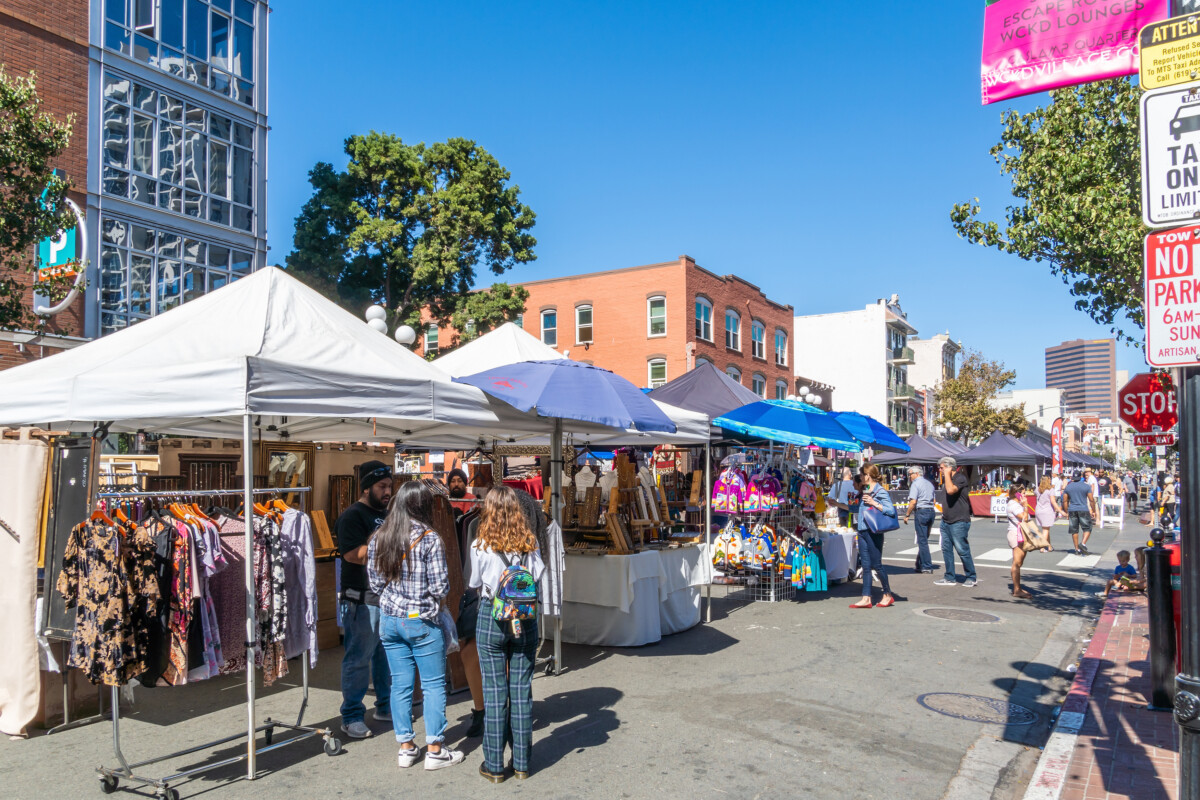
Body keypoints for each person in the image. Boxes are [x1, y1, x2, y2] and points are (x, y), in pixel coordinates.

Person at [368, 481, 464, 771]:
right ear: (422, 505)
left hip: (390, 621)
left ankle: (406, 747)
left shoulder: (379, 537)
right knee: (434, 685)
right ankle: (435, 748)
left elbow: (374, 584)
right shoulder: (429, 538)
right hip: (421, 621)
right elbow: (440, 586)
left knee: (400, 684)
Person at [469, 486, 546, 782]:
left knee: (494, 691)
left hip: (492, 617)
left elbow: (475, 581)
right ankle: (523, 762)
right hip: (524, 618)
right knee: (521, 690)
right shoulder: (530, 541)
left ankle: (494, 764)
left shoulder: (480, 545)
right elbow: (537, 577)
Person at [335, 460, 395, 740]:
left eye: (389, 487)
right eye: (382, 487)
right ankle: (351, 716)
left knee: (385, 658)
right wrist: (382, 539)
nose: (387, 492)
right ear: (366, 487)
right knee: (359, 659)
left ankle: (384, 706)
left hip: (386, 597)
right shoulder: (352, 516)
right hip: (360, 600)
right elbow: (352, 556)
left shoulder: (387, 513)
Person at [850, 465, 897, 609]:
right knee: (865, 565)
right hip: (863, 531)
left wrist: (874, 503)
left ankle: (887, 594)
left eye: (863, 475)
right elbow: (860, 510)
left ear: (868, 475)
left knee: (876, 564)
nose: (861, 477)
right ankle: (866, 597)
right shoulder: (866, 491)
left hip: (873, 532)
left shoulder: (879, 491)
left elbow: (891, 510)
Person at [934, 456, 978, 588]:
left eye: (941, 468)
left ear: (949, 467)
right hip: (946, 520)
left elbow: (951, 490)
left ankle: (971, 576)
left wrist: (947, 474)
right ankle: (949, 577)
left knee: (962, 549)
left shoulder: (960, 478)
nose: (940, 470)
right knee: (946, 549)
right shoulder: (947, 480)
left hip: (959, 520)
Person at [902, 466, 937, 574]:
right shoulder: (929, 483)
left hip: (921, 511)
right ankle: (920, 563)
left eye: (910, 474)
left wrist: (907, 514)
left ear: (916, 474)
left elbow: (913, 501)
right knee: (924, 539)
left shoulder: (915, 484)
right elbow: (934, 500)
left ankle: (927, 566)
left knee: (922, 541)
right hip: (931, 511)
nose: (909, 476)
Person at [1006, 486, 1034, 599]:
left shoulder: (1014, 504)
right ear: (1017, 494)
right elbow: (1024, 518)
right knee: (1017, 563)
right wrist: (1026, 506)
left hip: (1018, 534)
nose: (1025, 496)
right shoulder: (1014, 505)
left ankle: (1017, 587)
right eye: (1023, 493)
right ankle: (1017, 589)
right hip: (1017, 535)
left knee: (1019, 562)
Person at [1063, 469, 1097, 555]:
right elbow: (1091, 499)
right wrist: (1093, 510)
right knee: (1087, 528)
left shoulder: (1068, 487)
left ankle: (1076, 549)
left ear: (1073, 477)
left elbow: (1065, 501)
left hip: (1072, 509)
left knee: (1074, 530)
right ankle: (1083, 543)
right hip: (1083, 509)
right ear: (1081, 477)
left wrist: (1066, 512)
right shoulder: (1086, 486)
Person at [1033, 476, 1061, 552]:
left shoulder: (1038, 489)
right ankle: (1042, 547)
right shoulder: (1050, 490)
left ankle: (1049, 546)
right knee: (1045, 530)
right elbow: (1053, 501)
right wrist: (1060, 510)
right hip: (1047, 511)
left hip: (1039, 510)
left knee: (1046, 529)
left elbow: (1035, 494)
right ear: (1048, 480)